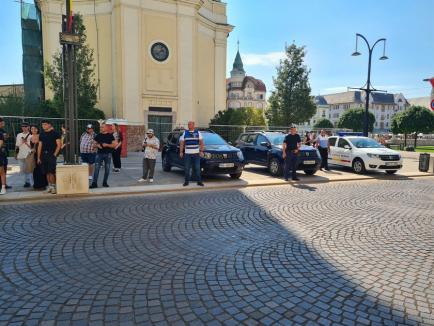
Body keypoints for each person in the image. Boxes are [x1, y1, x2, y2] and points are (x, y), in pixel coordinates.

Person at [90, 123, 117, 188]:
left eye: (102, 127)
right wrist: (97, 145)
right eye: (100, 127)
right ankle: (94, 183)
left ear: (106, 128)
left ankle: (105, 182)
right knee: (96, 168)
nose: (101, 128)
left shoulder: (110, 136)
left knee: (107, 169)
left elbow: (114, 145)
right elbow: (93, 144)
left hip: (108, 154)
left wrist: (107, 145)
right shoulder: (98, 135)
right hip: (99, 154)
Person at [37, 120, 61, 194]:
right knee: (46, 172)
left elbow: (59, 145)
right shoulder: (41, 134)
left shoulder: (56, 133)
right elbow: (39, 146)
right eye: (42, 125)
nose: (43, 126)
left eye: (45, 124)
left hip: (51, 154)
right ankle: (49, 186)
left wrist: (54, 155)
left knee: (52, 172)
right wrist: (38, 157)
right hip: (43, 155)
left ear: (49, 125)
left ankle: (53, 187)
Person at [179, 121, 204, 187]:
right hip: (187, 154)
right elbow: (182, 143)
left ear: (193, 125)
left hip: (196, 154)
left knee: (197, 168)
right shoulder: (185, 132)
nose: (188, 125)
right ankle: (186, 181)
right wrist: (181, 152)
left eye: (190, 124)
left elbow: (201, 142)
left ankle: (199, 181)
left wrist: (201, 151)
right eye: (188, 124)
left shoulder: (198, 132)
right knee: (187, 168)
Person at [15, 122, 33, 187]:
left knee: (29, 168)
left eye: (25, 126)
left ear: (28, 127)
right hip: (21, 154)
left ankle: (27, 182)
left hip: (28, 154)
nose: (24, 128)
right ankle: (27, 181)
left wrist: (25, 142)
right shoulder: (19, 135)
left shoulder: (31, 135)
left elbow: (32, 146)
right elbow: (17, 145)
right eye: (23, 126)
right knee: (22, 169)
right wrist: (16, 154)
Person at [30, 125, 47, 190]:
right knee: (35, 170)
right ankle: (37, 185)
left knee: (41, 169)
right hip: (34, 155)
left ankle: (43, 185)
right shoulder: (30, 137)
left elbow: (42, 146)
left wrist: (39, 157)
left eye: (35, 129)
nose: (33, 130)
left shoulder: (40, 136)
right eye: (32, 129)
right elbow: (31, 147)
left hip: (40, 155)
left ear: (37, 129)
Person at [0, 118, 7, 195]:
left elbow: (1, 143)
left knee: (1, 171)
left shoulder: (1, 133)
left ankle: (3, 187)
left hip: (0, 154)